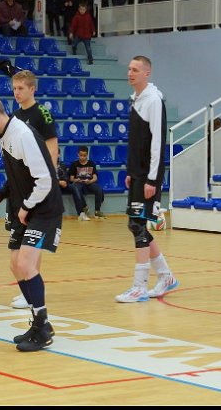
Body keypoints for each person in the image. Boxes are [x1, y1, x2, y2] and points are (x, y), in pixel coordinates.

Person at [0, 95, 63, 352]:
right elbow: (17, 177)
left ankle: (42, 327)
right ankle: (38, 322)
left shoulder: (22, 135)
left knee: (25, 264)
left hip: (44, 207)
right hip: (26, 208)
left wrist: (26, 207)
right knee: (15, 265)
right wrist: (0, 195)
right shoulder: (5, 136)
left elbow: (45, 180)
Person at [116, 56, 179, 303]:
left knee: (138, 225)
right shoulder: (136, 99)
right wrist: (131, 172)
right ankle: (165, 276)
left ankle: (139, 287)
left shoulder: (153, 100)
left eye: (135, 69)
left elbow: (157, 143)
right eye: (129, 69)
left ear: (147, 73)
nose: (130, 73)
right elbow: (136, 142)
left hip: (149, 176)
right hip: (138, 173)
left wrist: (152, 179)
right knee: (136, 225)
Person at [10, 70, 58, 309]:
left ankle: (32, 288)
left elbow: (52, 149)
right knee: (20, 243)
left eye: (21, 88)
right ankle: (28, 288)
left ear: (32, 89)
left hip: (39, 186)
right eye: (14, 88)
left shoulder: (42, 114)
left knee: (33, 240)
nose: (17, 93)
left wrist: (49, 180)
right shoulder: (15, 116)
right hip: (21, 188)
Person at [69, 145, 105, 220]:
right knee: (76, 188)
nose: (82, 157)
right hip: (79, 183)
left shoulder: (91, 163)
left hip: (89, 183)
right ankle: (84, 206)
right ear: (78, 154)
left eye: (84, 155)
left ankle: (97, 211)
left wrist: (90, 181)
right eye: (81, 155)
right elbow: (71, 179)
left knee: (99, 189)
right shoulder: (74, 164)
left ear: (87, 155)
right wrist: (76, 180)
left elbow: (95, 177)